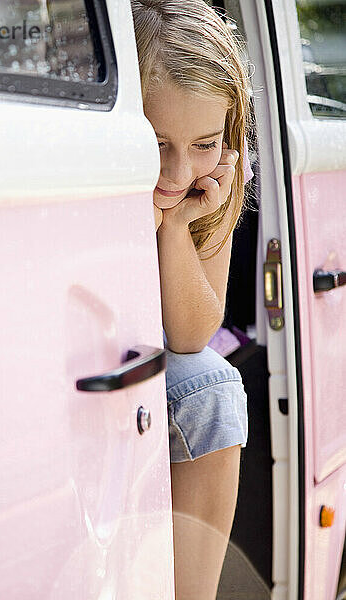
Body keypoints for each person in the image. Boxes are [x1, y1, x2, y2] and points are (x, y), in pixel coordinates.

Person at [130, 1, 254, 598]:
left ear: (228, 137)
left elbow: (191, 335)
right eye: (158, 144)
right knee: (209, 388)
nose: (177, 171)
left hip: (152, 356)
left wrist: (176, 228)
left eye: (204, 143)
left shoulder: (211, 185)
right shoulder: (111, 179)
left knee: (209, 382)